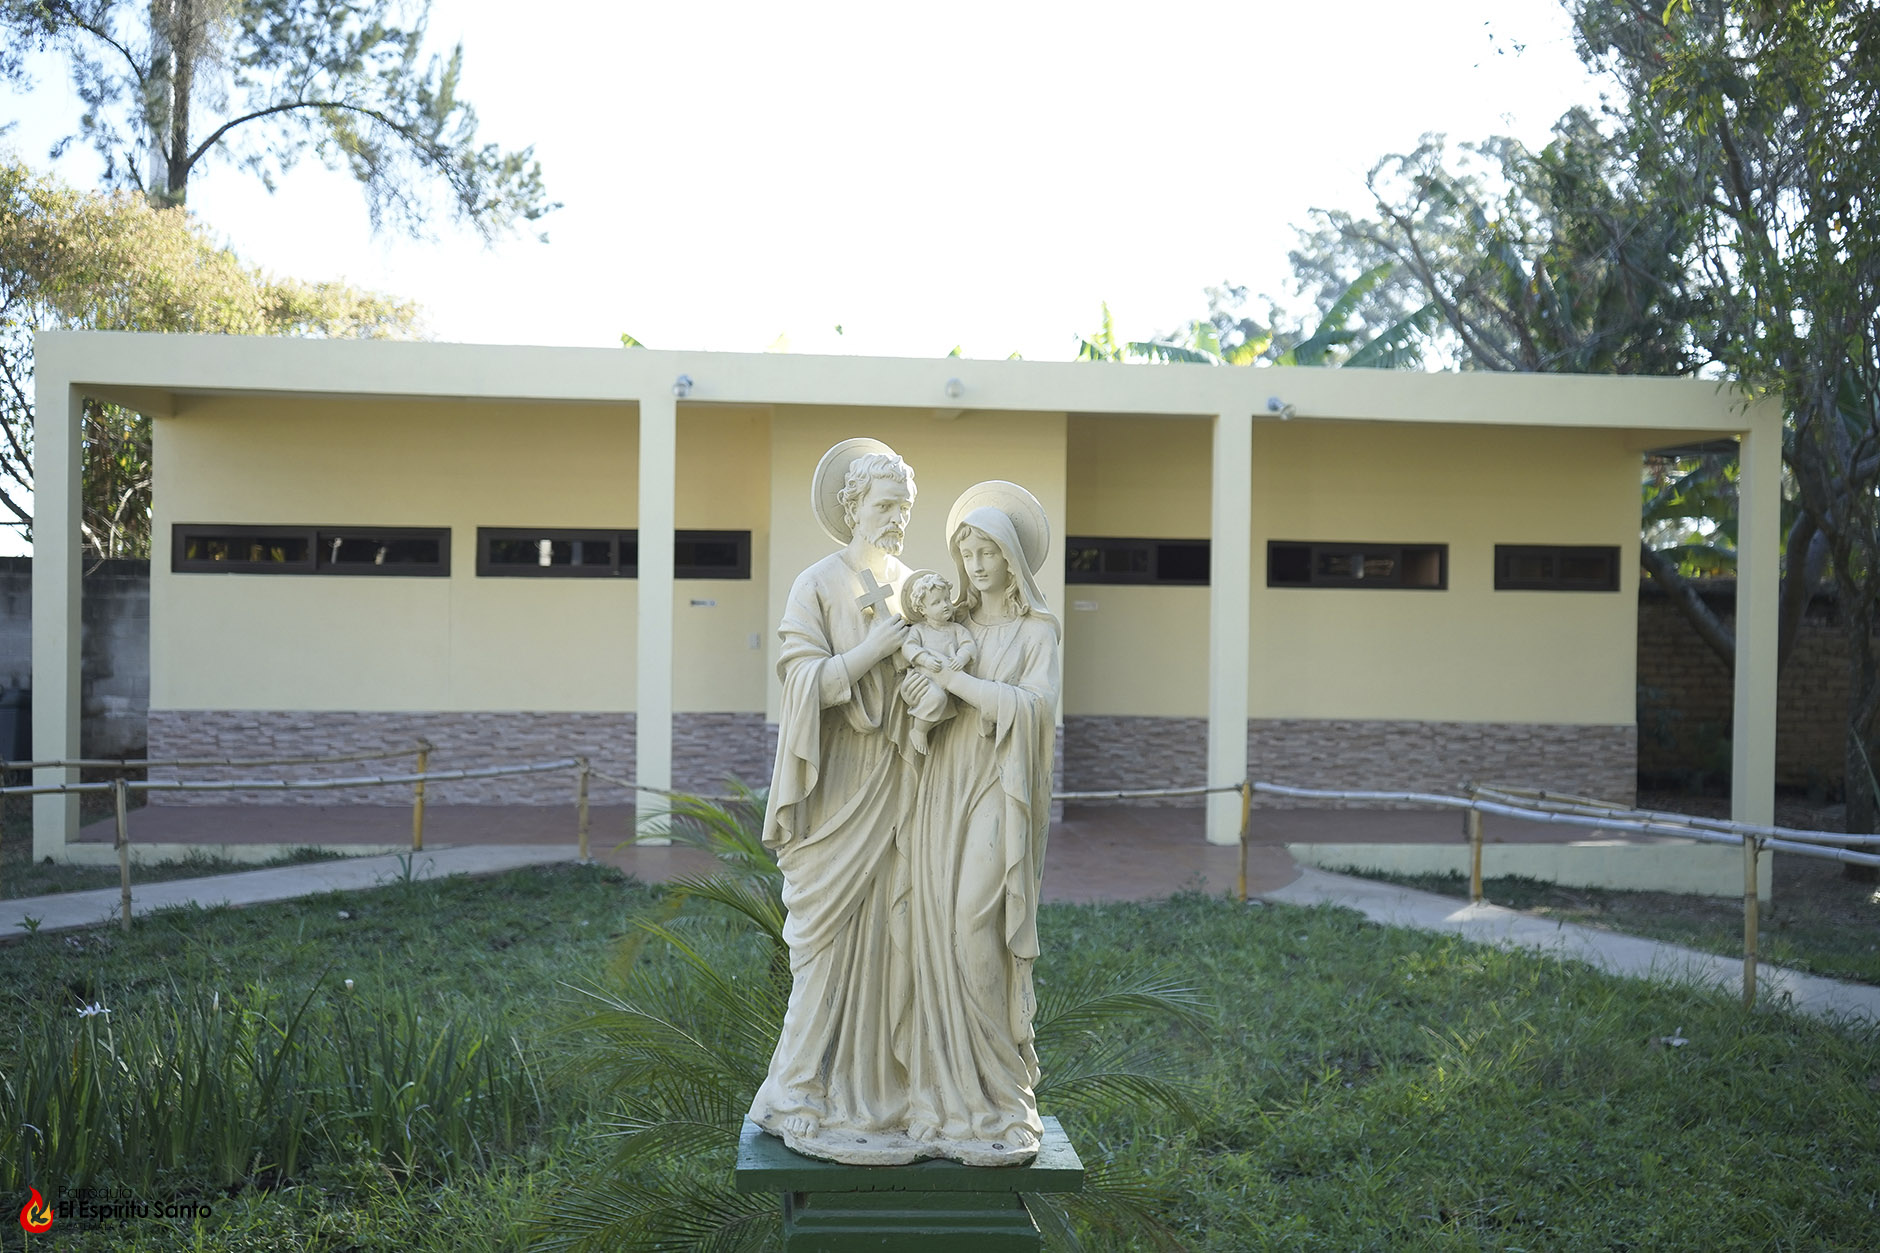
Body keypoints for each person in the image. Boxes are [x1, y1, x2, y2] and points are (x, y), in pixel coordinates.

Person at [746, 442, 923, 1165]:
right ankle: (794, 1094)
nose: (895, 520)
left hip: (897, 785)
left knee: (891, 944)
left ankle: (877, 1098)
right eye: (885, 505)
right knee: (822, 950)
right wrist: (872, 650)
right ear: (853, 507)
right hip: (835, 794)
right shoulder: (816, 584)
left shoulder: (915, 585)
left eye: (904, 509)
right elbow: (800, 681)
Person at [894, 496, 1061, 1167]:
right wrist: (924, 703)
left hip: (999, 786)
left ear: (1013, 558)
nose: (978, 564)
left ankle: (999, 1087)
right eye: (968, 553)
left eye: (989, 552)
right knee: (935, 926)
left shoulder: (1037, 632)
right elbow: (914, 680)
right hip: (942, 784)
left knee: (972, 923)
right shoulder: (950, 619)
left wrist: (956, 682)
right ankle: (944, 1089)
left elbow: (1034, 710)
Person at [897, 570, 975, 755]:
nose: (945, 605)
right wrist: (924, 659)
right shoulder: (919, 630)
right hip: (925, 678)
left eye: (947, 599)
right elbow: (909, 648)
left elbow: (969, 645)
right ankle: (919, 730)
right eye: (936, 602)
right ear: (922, 610)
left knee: (950, 699)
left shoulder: (956, 629)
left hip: (949, 680)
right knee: (936, 698)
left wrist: (961, 657)